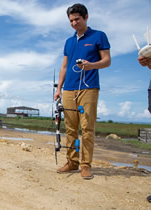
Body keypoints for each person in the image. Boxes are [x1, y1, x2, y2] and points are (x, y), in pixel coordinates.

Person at [53, 3, 111, 179]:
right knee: (70, 128)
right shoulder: (68, 42)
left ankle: (85, 165)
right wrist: (59, 88)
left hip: (89, 87)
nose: (74, 23)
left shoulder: (99, 36)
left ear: (86, 17)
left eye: (77, 19)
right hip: (69, 89)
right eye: (71, 20)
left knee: (87, 128)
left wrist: (91, 65)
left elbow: (107, 61)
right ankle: (72, 162)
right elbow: (64, 66)